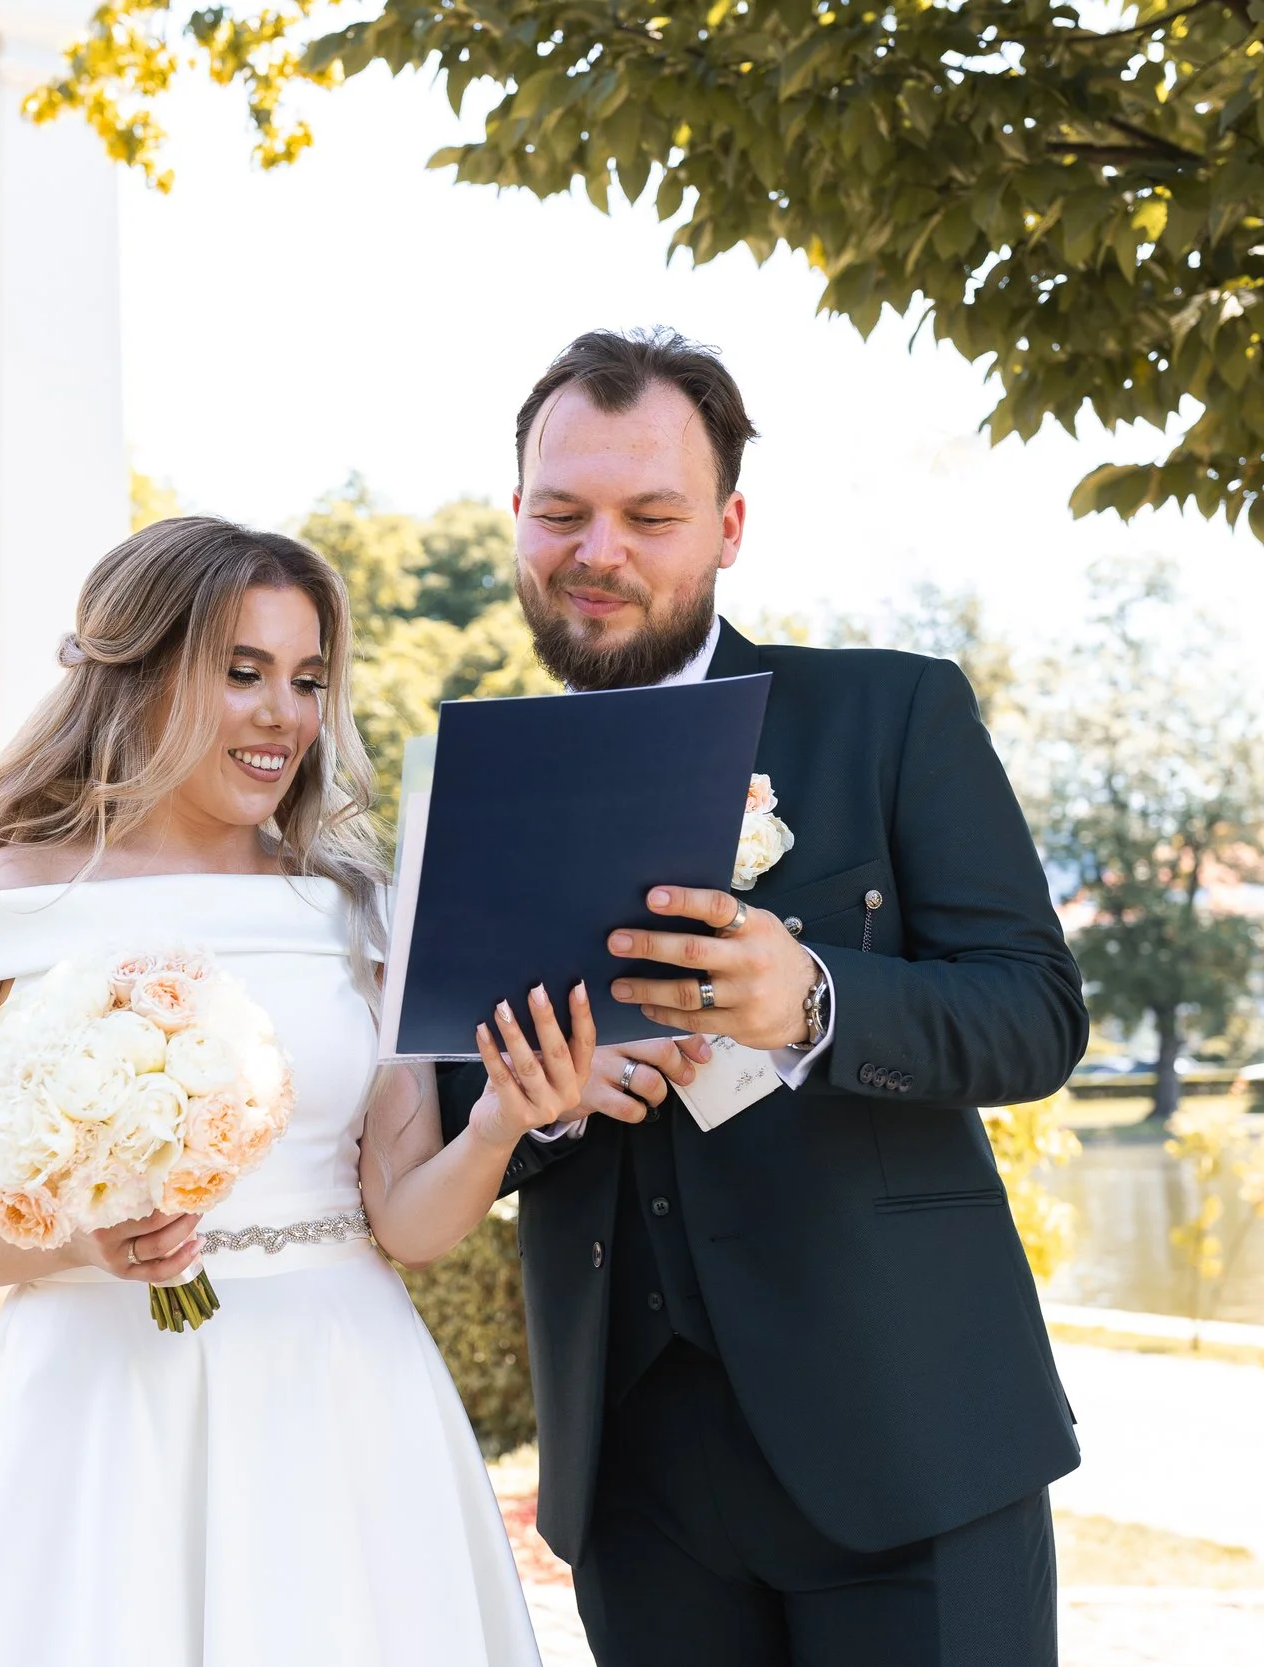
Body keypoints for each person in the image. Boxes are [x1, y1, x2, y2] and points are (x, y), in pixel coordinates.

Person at [440, 328, 1089, 1667]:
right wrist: (540, 1107)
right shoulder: (472, 784)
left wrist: (814, 998)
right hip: (633, 1475)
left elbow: (1036, 1012)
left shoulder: (892, 715)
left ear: (728, 527)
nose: (597, 550)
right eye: (561, 511)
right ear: (518, 518)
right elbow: (441, 1097)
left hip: (913, 1437)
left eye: (650, 515)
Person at [0, 516, 592, 1666]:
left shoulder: (361, 909)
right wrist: (82, 1240)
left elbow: (405, 1219)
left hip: (344, 1396)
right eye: (240, 672)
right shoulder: (2, 899)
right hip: (99, 1409)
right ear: (140, 672)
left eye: (305, 680)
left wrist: (498, 1120)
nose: (281, 715)